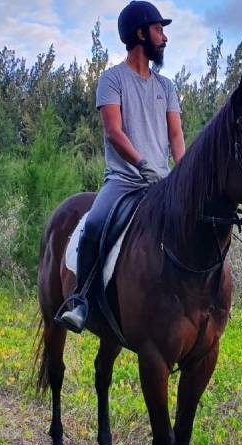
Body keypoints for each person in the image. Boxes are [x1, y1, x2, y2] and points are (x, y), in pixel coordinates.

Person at [57, 0, 185, 333]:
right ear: (140, 33)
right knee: (94, 225)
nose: (165, 38)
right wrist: (143, 165)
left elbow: (175, 134)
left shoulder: (167, 87)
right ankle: (80, 302)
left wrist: (183, 174)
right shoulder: (112, 80)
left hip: (162, 183)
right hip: (123, 181)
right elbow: (113, 131)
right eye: (159, 30)